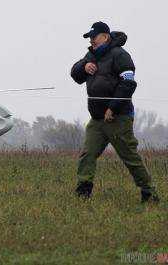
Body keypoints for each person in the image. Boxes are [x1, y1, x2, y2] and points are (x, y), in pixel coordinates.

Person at [70, 21, 159, 203]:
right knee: (87, 155)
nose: (92, 40)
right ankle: (82, 192)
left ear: (105, 36)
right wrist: (84, 67)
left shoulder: (120, 55)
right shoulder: (91, 55)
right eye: (90, 38)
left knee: (130, 158)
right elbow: (75, 74)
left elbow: (128, 83)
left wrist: (113, 107)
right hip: (97, 120)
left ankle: (149, 193)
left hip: (118, 118)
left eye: (94, 37)